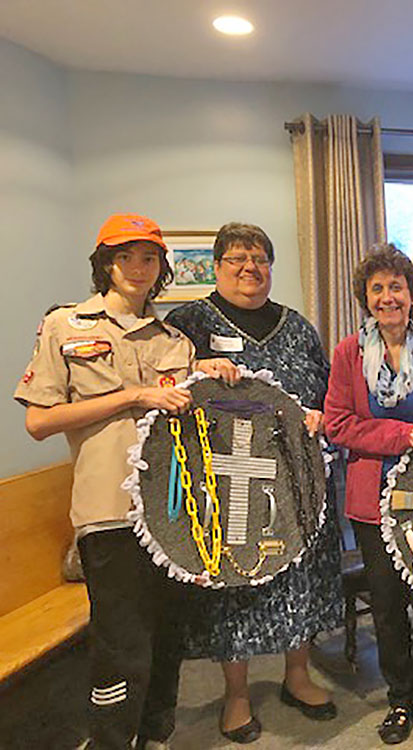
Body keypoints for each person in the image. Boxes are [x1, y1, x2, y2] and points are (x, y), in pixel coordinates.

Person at [15, 214, 203, 750]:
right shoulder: (66, 327)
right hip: (107, 512)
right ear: (106, 263)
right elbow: (38, 422)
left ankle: (156, 734)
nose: (138, 268)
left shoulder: (175, 340)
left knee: (169, 636)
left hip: (170, 515)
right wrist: (131, 396)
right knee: (121, 643)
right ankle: (109, 741)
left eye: (149, 258)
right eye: (126, 256)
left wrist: (210, 378)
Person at [165, 222, 343, 743]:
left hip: (295, 476)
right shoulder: (189, 321)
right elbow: (158, 377)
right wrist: (197, 363)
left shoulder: (297, 326)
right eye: (238, 259)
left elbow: (327, 392)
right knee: (235, 581)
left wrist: (321, 418)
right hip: (226, 480)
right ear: (217, 267)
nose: (250, 268)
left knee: (299, 577)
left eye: (260, 257)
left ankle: (297, 675)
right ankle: (237, 695)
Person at [324, 245, 413, 744]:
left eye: (396, 287)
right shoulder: (348, 353)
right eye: (377, 288)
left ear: (412, 294)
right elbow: (339, 423)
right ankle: (399, 700)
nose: (387, 297)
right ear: (365, 296)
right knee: (385, 601)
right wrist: (400, 436)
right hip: (373, 496)